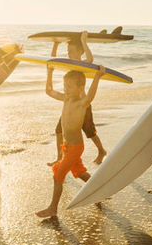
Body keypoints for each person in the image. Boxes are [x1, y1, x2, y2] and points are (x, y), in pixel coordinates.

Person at [36, 65, 106, 218]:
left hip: (75, 147)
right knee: (79, 172)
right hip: (67, 146)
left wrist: (97, 77)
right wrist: (49, 72)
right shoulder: (66, 99)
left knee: (58, 175)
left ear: (81, 87)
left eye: (69, 86)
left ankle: (52, 208)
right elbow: (49, 91)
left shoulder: (81, 103)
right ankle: (100, 190)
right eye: (64, 86)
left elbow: (90, 96)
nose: (66, 89)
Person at [48, 31, 108, 166]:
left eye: (71, 51)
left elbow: (91, 59)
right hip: (70, 103)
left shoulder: (82, 63)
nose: (69, 53)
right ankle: (60, 157)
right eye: (67, 51)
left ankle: (101, 151)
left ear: (80, 52)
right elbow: (53, 62)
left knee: (90, 131)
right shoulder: (69, 64)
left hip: (83, 105)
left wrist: (83, 41)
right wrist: (56, 44)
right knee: (59, 130)